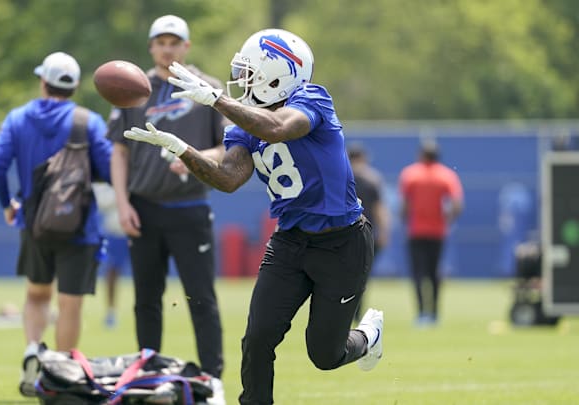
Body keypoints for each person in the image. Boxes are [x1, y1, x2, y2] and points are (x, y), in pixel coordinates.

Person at [124, 28, 385, 405]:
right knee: (258, 337)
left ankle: (367, 337)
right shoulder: (245, 123)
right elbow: (229, 178)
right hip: (290, 240)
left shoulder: (311, 98)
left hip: (341, 241)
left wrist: (216, 100)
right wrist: (182, 149)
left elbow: (278, 128)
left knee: (324, 355)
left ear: (278, 72)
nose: (243, 81)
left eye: (251, 72)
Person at [106, 14, 228, 404]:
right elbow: (119, 151)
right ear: (151, 46)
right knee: (146, 297)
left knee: (201, 297)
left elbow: (230, 148)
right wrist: (122, 203)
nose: (167, 47)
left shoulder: (206, 88)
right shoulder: (131, 88)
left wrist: (193, 155)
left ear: (186, 47)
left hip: (190, 206)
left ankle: (213, 378)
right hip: (143, 207)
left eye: (175, 41)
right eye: (161, 41)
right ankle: (149, 374)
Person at [0, 51, 113, 397]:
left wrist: (7, 203)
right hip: (80, 227)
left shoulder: (18, 118)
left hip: (34, 223)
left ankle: (32, 347)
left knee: (37, 294)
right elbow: (108, 169)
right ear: (73, 87)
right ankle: (59, 373)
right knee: (70, 304)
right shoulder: (88, 122)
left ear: (44, 82)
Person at [398, 139, 463, 327]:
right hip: (438, 231)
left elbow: (404, 205)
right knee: (434, 273)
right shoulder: (447, 176)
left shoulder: (411, 174)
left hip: (416, 231)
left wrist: (405, 221)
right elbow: (457, 204)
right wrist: (447, 220)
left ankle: (421, 314)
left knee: (418, 273)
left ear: (421, 155)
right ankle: (434, 313)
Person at [348, 143, 390, 321]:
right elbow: (379, 209)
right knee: (361, 277)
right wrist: (384, 232)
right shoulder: (372, 179)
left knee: (345, 276)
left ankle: (348, 312)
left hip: (343, 234)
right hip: (366, 234)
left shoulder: (341, 178)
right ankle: (357, 312)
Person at [92, 182, 130, 329]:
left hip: (139, 229)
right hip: (115, 231)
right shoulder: (105, 175)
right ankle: (111, 312)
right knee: (112, 271)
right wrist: (121, 195)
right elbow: (101, 201)